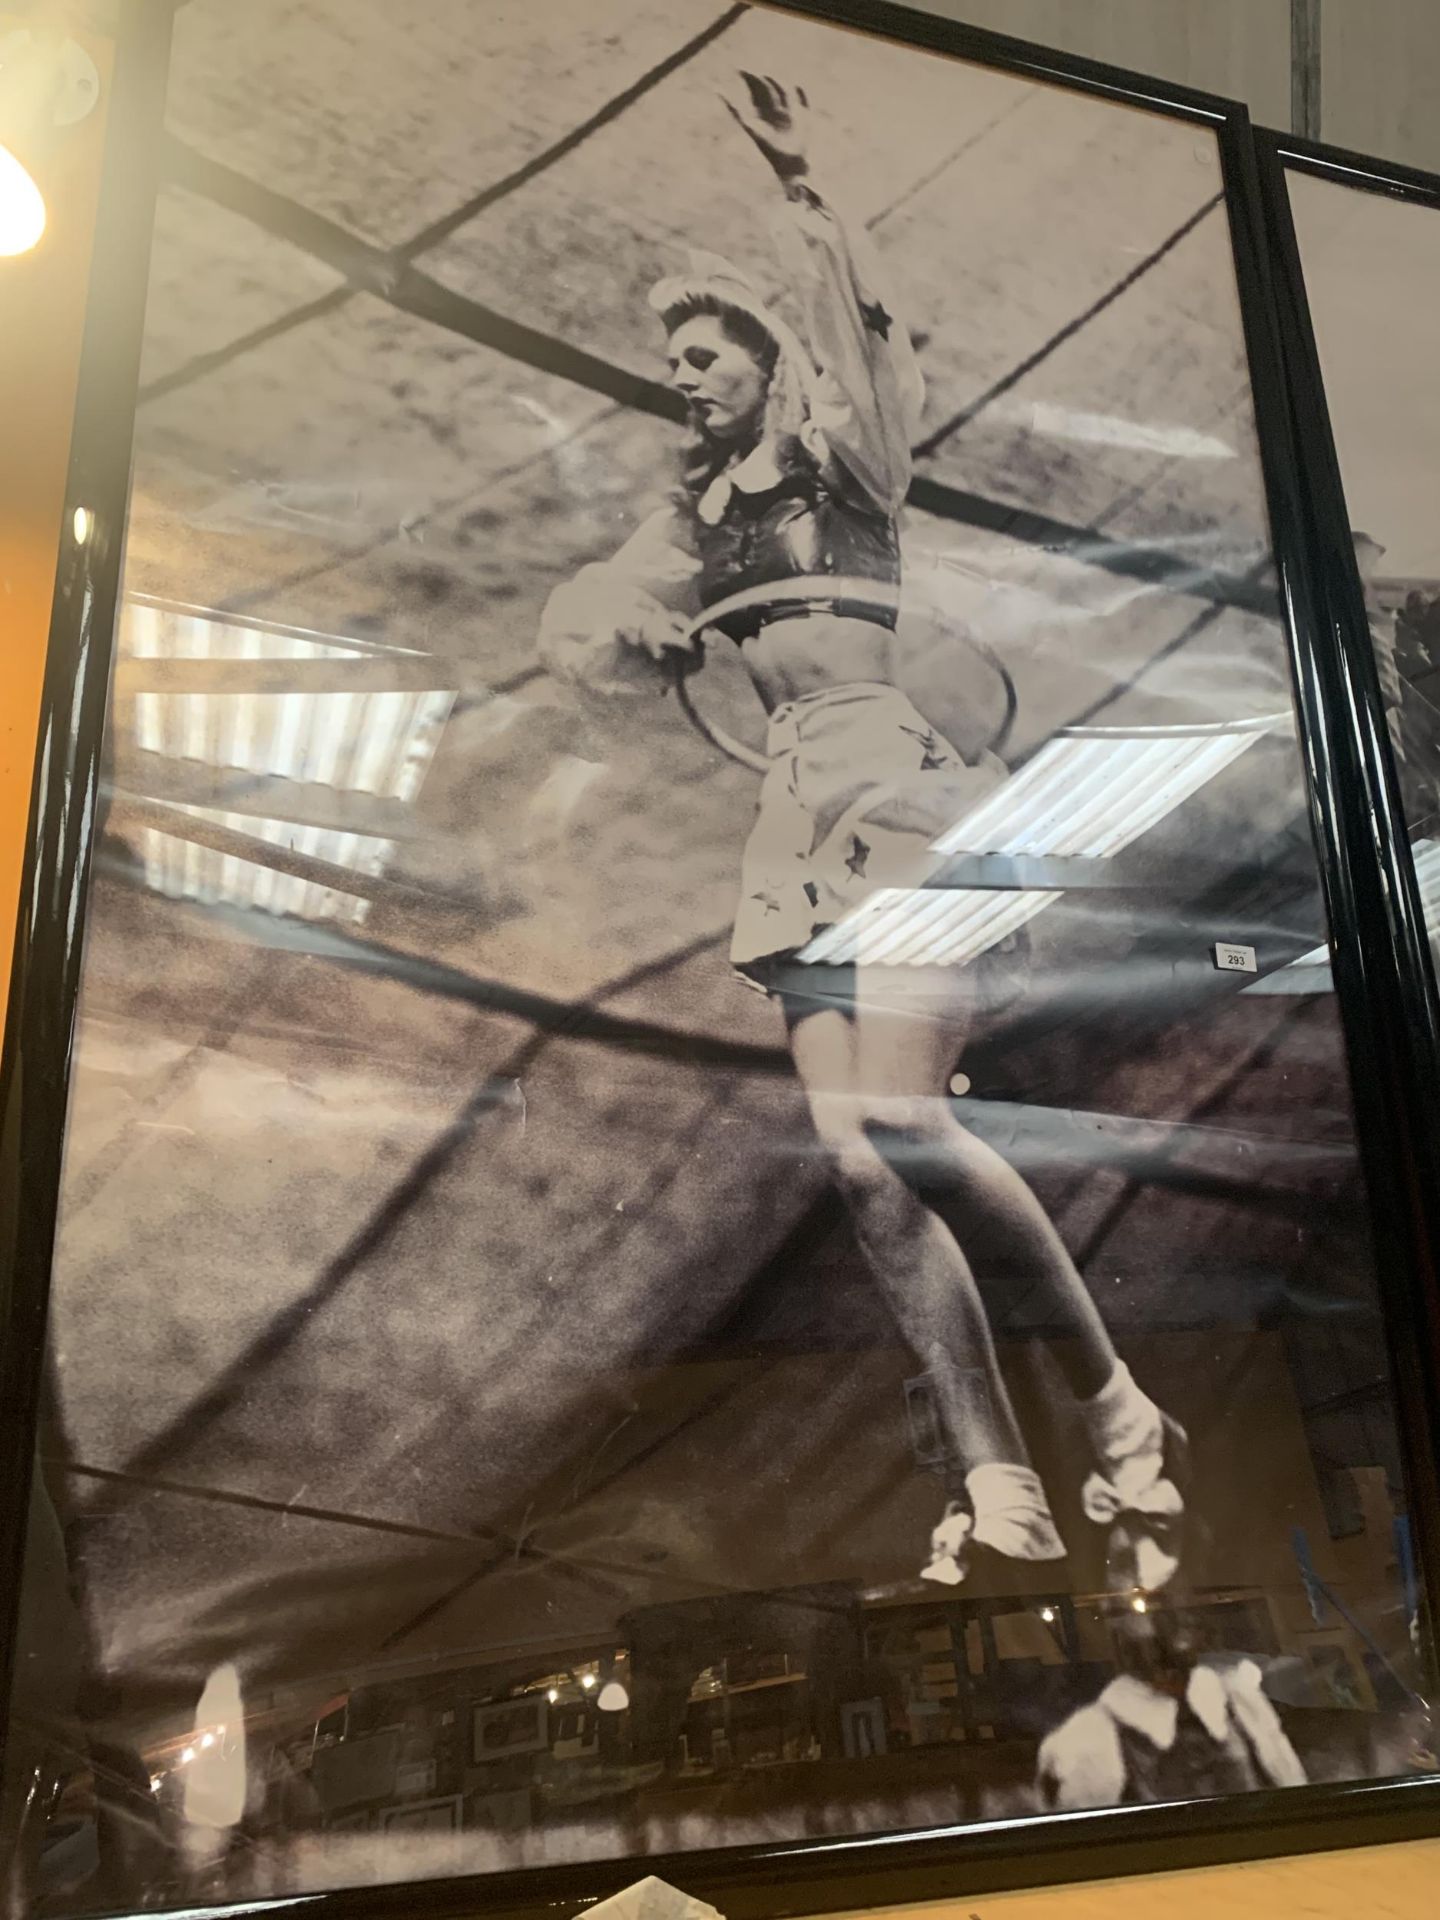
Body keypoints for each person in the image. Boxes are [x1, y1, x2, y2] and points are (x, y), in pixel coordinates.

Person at [538, 72, 1185, 1588]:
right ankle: (996, 1482)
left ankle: (1118, 1404)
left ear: (767, 361)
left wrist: (803, 187)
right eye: (673, 361)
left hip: (900, 791)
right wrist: (617, 646)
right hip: (790, 824)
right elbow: (597, 619)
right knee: (855, 1165)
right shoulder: (698, 517)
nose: (684, 376)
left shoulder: (854, 466)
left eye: (705, 354)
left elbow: (858, 332)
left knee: (908, 1119)